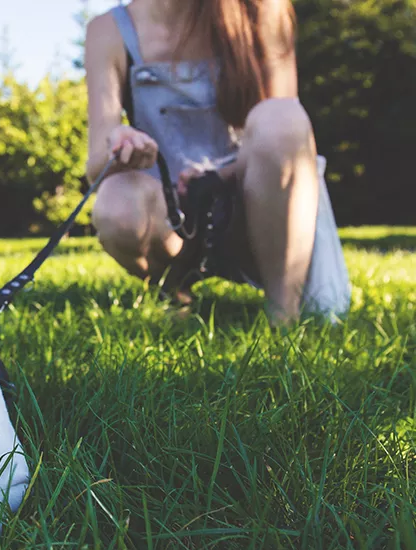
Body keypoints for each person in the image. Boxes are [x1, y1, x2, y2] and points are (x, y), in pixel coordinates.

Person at [84, 0, 350, 324]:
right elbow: (96, 165)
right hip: (174, 215)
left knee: (281, 116)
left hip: (259, 206)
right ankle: (173, 286)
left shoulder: (264, 9)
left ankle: (284, 312)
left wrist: (216, 176)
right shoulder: (107, 30)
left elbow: (288, 135)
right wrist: (120, 143)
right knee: (115, 201)